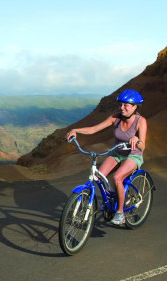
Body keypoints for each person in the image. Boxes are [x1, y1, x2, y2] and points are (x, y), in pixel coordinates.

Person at [65, 89, 147, 225]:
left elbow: (142, 146)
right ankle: (111, 199)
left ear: (135, 106)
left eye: (126, 105)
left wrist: (137, 140)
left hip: (133, 155)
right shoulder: (115, 118)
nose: (122, 107)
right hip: (117, 152)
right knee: (99, 177)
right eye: (121, 104)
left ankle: (120, 213)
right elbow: (94, 129)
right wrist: (76, 130)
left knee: (117, 177)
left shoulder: (140, 121)